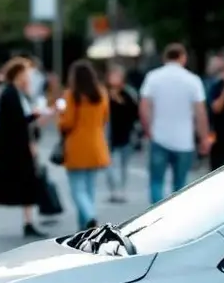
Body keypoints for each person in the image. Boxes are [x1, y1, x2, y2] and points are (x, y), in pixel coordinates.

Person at [0, 57, 43, 238]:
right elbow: (15, 123)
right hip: (12, 150)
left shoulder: (19, 93)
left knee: (26, 184)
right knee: (3, 185)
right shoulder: (10, 94)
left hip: (18, 148)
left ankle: (28, 222)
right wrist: (33, 117)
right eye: (26, 73)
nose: (28, 77)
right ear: (18, 74)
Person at [139, 43, 210, 204]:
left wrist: (148, 128)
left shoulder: (153, 77)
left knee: (156, 182)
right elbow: (200, 112)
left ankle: (155, 217)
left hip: (159, 136)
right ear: (183, 58)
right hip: (184, 141)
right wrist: (204, 137)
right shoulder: (193, 80)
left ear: (165, 58)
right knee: (180, 185)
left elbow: (144, 106)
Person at [57, 59, 110, 230]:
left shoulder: (72, 95)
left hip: (77, 147)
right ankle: (85, 228)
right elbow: (105, 118)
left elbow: (67, 123)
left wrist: (60, 117)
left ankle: (90, 218)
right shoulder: (101, 93)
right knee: (89, 190)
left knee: (77, 190)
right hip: (96, 145)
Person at [105, 64, 138, 203]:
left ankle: (122, 190)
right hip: (109, 134)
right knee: (108, 165)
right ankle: (114, 190)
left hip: (126, 133)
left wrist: (118, 99)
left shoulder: (129, 92)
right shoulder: (104, 93)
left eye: (116, 75)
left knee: (124, 165)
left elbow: (134, 111)